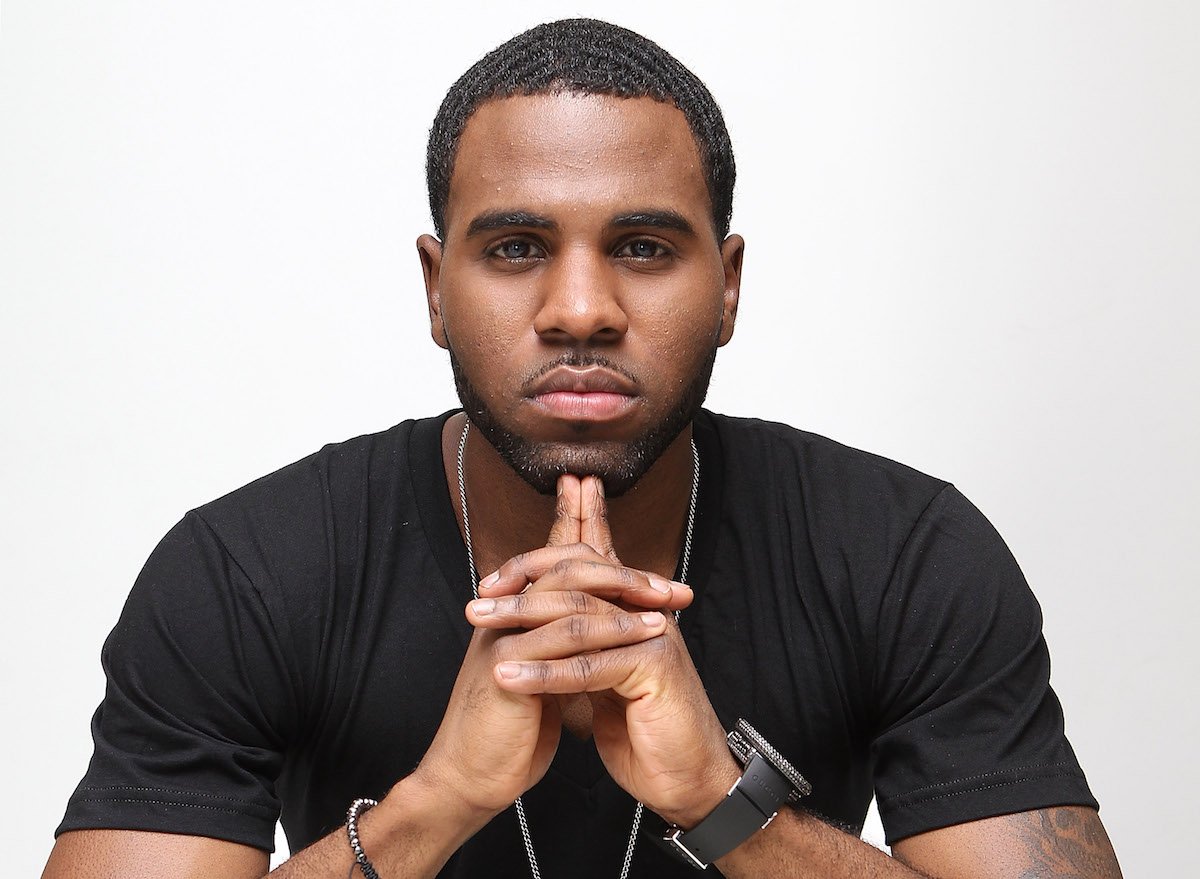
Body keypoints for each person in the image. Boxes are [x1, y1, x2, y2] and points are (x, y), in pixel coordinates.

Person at [43, 18, 1122, 879]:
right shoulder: (246, 571)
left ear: (729, 285)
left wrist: (722, 800)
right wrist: (435, 805)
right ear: (434, 288)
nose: (579, 309)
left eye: (643, 248)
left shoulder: (903, 552)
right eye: (516, 248)